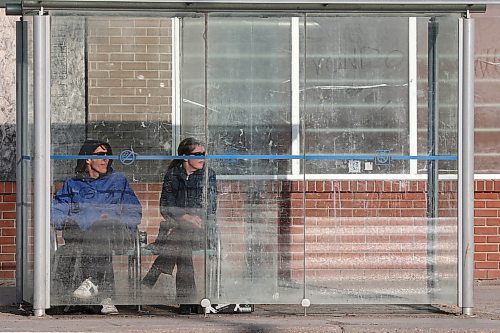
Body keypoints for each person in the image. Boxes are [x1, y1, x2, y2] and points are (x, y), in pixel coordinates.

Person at [51, 139, 142, 315]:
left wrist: (116, 219)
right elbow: (56, 211)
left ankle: (94, 284)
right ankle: (103, 297)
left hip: (114, 234)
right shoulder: (73, 184)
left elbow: (134, 211)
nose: (105, 159)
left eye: (108, 155)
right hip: (82, 236)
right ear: (87, 159)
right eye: (100, 155)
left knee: (101, 228)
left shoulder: (118, 181)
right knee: (90, 239)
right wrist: (70, 221)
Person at [142, 137, 218, 315]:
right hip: (179, 231)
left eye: (204, 154)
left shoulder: (209, 175)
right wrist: (185, 216)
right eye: (198, 154)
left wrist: (193, 217)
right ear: (185, 157)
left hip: (201, 230)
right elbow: (165, 205)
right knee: (183, 248)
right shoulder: (172, 175)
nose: (202, 158)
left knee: (181, 237)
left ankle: (158, 269)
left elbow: (210, 206)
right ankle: (187, 301)